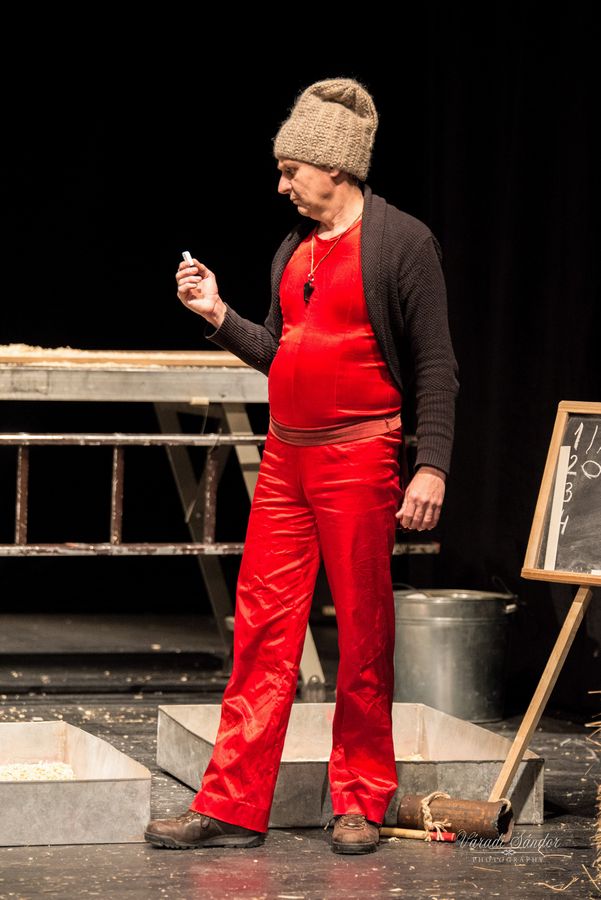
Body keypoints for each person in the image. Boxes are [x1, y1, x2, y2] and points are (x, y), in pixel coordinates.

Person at [145, 77, 459, 855]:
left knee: (362, 633)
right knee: (261, 631)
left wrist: (431, 466)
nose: (281, 185)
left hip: (360, 456)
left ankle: (360, 799)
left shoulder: (401, 243)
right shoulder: (294, 248)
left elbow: (435, 366)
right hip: (286, 458)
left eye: (291, 170)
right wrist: (218, 315)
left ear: (335, 167)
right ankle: (230, 803)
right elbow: (280, 351)